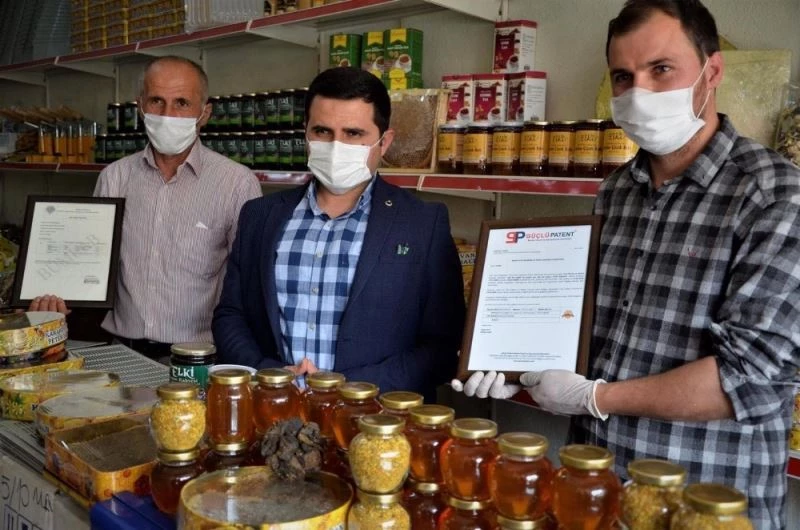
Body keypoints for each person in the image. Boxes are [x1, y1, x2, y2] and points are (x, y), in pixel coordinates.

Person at [452, 1, 800, 527]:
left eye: (661, 69)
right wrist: (515, 365)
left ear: (712, 72)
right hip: (596, 484)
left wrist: (596, 397)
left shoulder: (775, 195)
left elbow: (750, 376)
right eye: (623, 76)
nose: (639, 91)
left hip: (702, 498)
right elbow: (586, 329)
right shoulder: (616, 191)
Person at [212, 66, 465, 400]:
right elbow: (231, 316)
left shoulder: (422, 224)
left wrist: (345, 388)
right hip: (273, 411)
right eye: (322, 131)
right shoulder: (260, 216)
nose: (336, 146)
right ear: (305, 133)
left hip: (377, 419)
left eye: (353, 133)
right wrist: (270, 375)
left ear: (384, 142)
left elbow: (442, 347)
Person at [85, 56, 261, 357]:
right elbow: (90, 262)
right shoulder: (114, 177)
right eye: (157, 101)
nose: (168, 115)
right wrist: (55, 290)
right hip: (122, 350)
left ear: (204, 113)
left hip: (199, 358)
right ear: (140, 107)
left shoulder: (237, 184)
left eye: (182, 103)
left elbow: (247, 283)